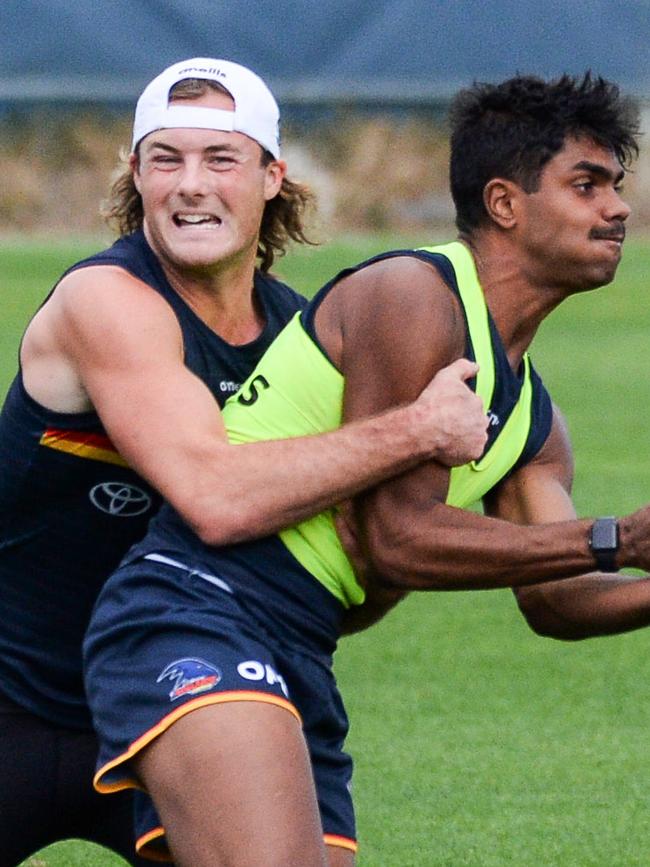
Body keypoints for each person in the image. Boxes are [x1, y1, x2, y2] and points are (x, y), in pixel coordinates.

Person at [83, 70, 650, 867]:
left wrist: (630, 565)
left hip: (300, 647)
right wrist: (618, 538)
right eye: (586, 185)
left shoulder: (534, 421)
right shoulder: (412, 295)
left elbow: (556, 595)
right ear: (505, 204)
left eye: (615, 186)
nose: (617, 208)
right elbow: (398, 539)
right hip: (194, 609)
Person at [0, 57, 489, 867]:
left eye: (220, 159)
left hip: (174, 702)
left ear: (272, 177)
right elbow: (216, 499)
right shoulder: (107, 300)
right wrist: (416, 430)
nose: (191, 184)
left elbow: (332, 581)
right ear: (136, 174)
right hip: (10, 701)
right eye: (167, 158)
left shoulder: (300, 340)